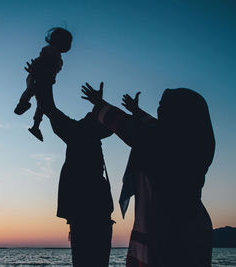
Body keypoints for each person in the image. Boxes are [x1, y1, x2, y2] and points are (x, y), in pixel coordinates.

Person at [82, 83, 215, 267]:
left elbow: (124, 124)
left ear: (178, 112)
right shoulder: (198, 143)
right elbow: (154, 126)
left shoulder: (158, 141)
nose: (159, 108)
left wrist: (99, 103)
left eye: (164, 105)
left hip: (164, 234)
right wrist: (137, 111)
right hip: (196, 229)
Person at [26, 65, 115, 266]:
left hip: (87, 217)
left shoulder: (77, 133)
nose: (89, 115)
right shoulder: (87, 134)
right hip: (97, 215)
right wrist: (100, 105)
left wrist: (43, 78)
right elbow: (51, 109)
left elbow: (49, 108)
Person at [14, 27, 72, 141]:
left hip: (45, 81)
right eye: (68, 42)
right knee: (32, 92)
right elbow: (42, 60)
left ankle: (35, 126)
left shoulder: (57, 55)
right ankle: (23, 103)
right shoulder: (51, 50)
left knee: (42, 105)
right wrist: (35, 69)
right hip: (38, 77)